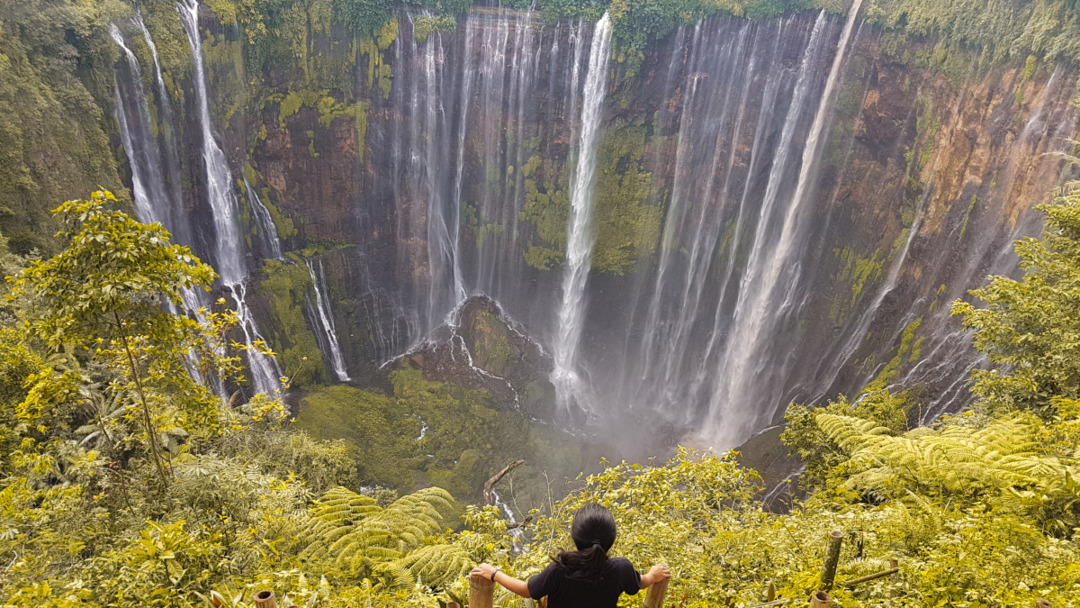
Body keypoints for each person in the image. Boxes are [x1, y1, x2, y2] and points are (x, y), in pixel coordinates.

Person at [470, 503, 671, 607]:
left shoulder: (560, 569)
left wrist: (494, 573)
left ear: (576, 537)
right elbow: (640, 582)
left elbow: (526, 590)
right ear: (611, 539)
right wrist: (654, 576)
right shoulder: (621, 568)